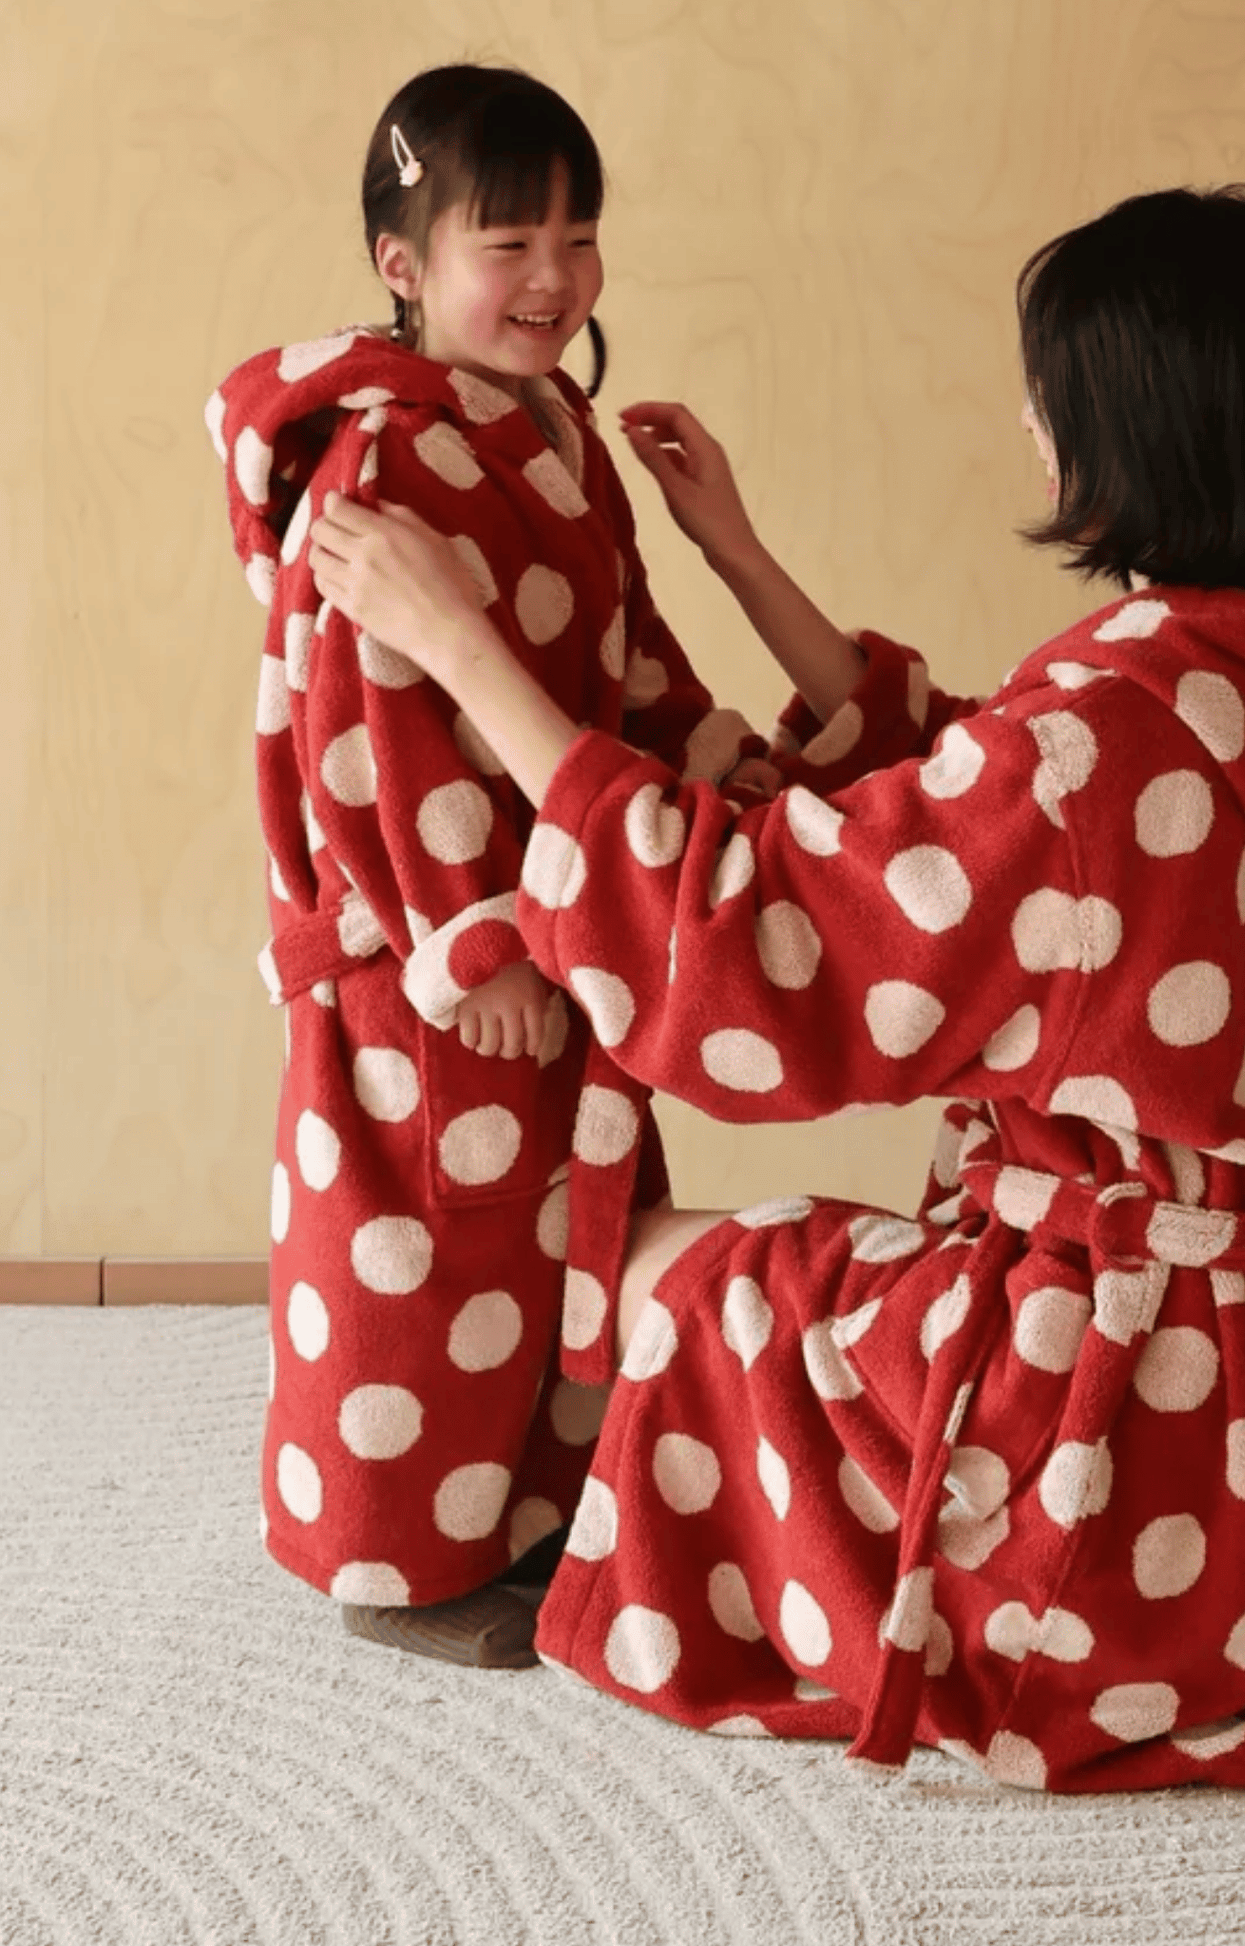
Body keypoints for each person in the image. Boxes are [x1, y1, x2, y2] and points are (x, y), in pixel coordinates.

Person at [306, 183, 1245, 1789]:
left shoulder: (1104, 738)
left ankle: (976, 1610)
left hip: (1117, 1460)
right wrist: (743, 563)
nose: (1031, 419)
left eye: (1051, 392)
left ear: (1113, 424)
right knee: (741, 1267)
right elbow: (996, 800)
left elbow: (776, 930)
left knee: (680, 1277)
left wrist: (460, 645)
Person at [207, 64, 773, 1668]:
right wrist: (480, 939)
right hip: (435, 947)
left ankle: (533, 1510)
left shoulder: (556, 429)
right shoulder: (382, 463)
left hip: (566, 901)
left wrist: (692, 756)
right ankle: (400, 1559)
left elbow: (617, 648)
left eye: (577, 239)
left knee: (554, 1230)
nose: (552, 279)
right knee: (421, 1248)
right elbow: (365, 722)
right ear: (404, 262)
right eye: (506, 241)